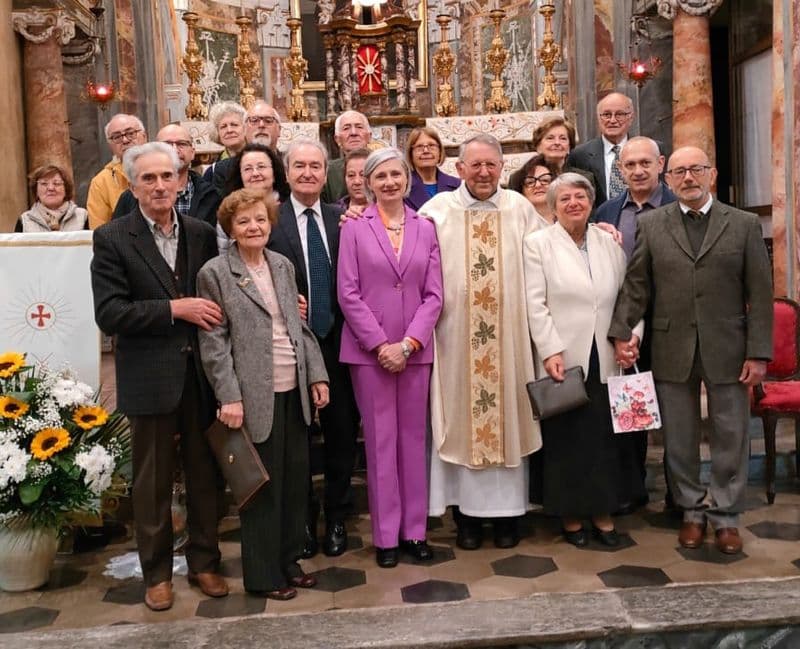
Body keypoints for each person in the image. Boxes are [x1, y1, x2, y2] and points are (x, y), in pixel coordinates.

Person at [609, 145, 773, 555]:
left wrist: (758, 352)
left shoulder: (744, 224)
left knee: (731, 435)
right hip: (671, 344)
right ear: (668, 179)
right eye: (679, 172)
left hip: (729, 348)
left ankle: (726, 515)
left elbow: (761, 294)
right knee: (679, 439)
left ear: (711, 174)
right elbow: (637, 285)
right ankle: (691, 511)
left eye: (695, 170)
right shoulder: (654, 224)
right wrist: (620, 331)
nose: (687, 178)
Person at [91, 142, 226, 611]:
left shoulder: (202, 232)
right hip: (149, 376)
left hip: (201, 376)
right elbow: (110, 313)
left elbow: (223, 291)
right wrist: (174, 309)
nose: (159, 186)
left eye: (167, 176)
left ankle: (206, 562)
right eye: (148, 179)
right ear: (132, 185)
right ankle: (156, 574)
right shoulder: (113, 238)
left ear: (180, 179)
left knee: (205, 474)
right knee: (152, 482)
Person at [197, 188, 330, 600]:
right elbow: (214, 344)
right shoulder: (215, 273)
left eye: (259, 219)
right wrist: (229, 396)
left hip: (294, 389)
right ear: (231, 230)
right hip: (254, 395)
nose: (253, 227)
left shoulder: (283, 265)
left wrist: (317, 376)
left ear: (270, 223)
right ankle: (263, 574)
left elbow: (298, 326)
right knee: (260, 487)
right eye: (243, 222)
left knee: (294, 484)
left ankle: (289, 560)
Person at [418, 134, 544, 550]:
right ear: (459, 169)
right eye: (476, 165)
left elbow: (548, 253)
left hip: (509, 341)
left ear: (502, 167)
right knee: (460, 424)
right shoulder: (436, 212)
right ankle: (466, 519)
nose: (485, 173)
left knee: (508, 421)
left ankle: (509, 518)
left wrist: (596, 233)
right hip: (454, 340)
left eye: (492, 165)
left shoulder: (520, 208)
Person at [524, 173, 645, 547]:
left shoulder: (607, 240)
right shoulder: (537, 244)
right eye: (565, 199)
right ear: (553, 206)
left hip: (609, 353)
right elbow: (535, 303)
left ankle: (604, 514)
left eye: (580, 196)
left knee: (607, 442)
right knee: (569, 441)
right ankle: (572, 517)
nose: (574, 203)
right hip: (565, 358)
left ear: (591, 202)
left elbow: (630, 294)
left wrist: (631, 336)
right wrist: (550, 350)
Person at [337, 148, 443, 568]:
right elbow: (348, 292)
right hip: (370, 354)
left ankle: (414, 531)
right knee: (381, 444)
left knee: (414, 441)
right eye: (380, 176)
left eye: (396, 174)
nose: (389, 183)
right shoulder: (353, 228)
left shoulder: (426, 226)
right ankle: (385, 537)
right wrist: (381, 344)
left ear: (408, 179)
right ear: (367, 182)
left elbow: (435, 294)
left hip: (414, 353)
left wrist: (410, 343)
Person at [268, 139, 360, 558]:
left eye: (315, 166)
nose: (308, 173)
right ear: (286, 174)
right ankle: (303, 518)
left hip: (341, 342)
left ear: (327, 174)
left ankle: (337, 514)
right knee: (298, 437)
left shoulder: (344, 219)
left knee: (342, 433)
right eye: (299, 166)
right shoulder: (270, 220)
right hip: (289, 344)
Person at [594, 136, 677, 514]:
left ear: (661, 164)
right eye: (629, 165)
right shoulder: (607, 211)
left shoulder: (679, 206)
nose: (638, 170)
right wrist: (624, 330)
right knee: (629, 411)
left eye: (645, 163)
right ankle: (633, 487)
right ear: (620, 170)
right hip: (624, 325)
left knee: (677, 415)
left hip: (672, 326)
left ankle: (681, 495)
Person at [112, 124, 221, 226]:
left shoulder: (211, 195)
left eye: (181, 144)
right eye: (167, 145)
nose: (174, 149)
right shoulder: (131, 197)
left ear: (192, 152)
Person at [567, 92, 637, 206]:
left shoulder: (650, 150)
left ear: (631, 117)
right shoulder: (580, 155)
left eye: (619, 114)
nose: (613, 120)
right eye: (607, 115)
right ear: (598, 118)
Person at [206, 101, 283, 192]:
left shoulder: (290, 163)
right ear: (245, 129)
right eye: (254, 120)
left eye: (268, 120)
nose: (261, 125)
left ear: (279, 130)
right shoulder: (223, 170)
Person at [87, 113, 147, 228]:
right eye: (117, 137)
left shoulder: (163, 168)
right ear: (110, 145)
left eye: (131, 133)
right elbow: (99, 231)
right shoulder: (101, 182)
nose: (125, 140)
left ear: (144, 136)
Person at [17, 164, 88, 232]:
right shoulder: (24, 220)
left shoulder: (83, 217)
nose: (51, 188)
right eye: (44, 183)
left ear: (66, 189)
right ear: (36, 190)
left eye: (57, 183)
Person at [404, 126, 460, 211]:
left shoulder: (457, 186)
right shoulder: (403, 187)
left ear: (440, 152)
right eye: (419, 147)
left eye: (431, 145)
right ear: (411, 155)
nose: (426, 151)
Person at [322, 110, 372, 203]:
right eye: (346, 128)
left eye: (359, 127)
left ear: (369, 136)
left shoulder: (382, 165)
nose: (353, 133)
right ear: (337, 139)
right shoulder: (328, 170)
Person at [507, 153, 558, 226]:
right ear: (521, 191)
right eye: (530, 182)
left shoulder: (569, 219)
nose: (538, 185)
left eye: (545, 180)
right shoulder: (514, 224)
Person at [336, 148, 370, 212]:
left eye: (362, 175)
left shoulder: (385, 210)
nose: (357, 181)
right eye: (351, 175)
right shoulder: (333, 212)